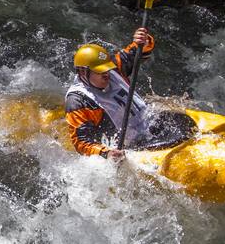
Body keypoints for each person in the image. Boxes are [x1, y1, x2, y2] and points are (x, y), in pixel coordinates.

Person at [64, 28, 156, 160]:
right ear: (83, 72)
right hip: (130, 147)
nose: (106, 74)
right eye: (100, 71)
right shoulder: (79, 102)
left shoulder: (114, 67)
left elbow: (138, 51)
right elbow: (81, 143)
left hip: (148, 125)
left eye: (107, 69)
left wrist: (143, 41)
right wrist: (106, 152)